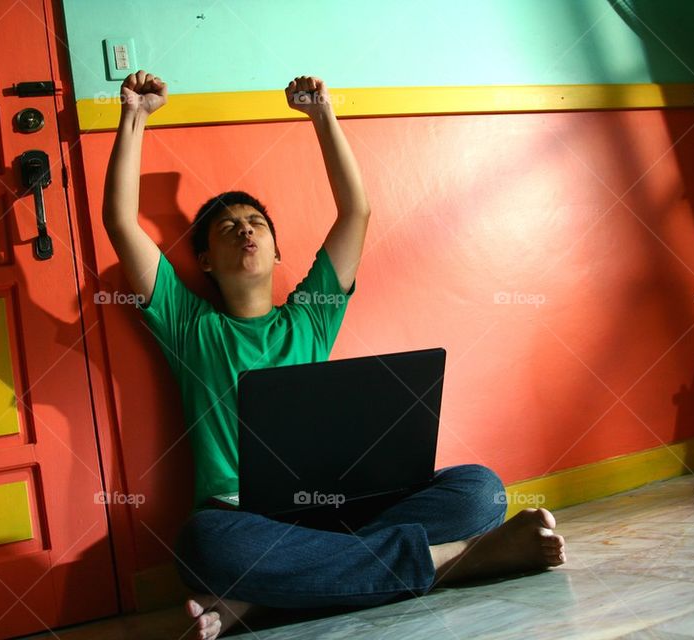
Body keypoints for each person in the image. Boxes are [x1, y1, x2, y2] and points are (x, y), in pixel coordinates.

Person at [103, 69, 566, 640]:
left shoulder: (312, 313)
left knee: (480, 488)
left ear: (276, 250)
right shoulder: (189, 325)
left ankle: (259, 603)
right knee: (204, 544)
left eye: (256, 224)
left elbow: (356, 213)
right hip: (246, 518)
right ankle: (461, 558)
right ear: (202, 260)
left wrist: (322, 114)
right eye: (227, 228)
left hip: (343, 504)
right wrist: (135, 115)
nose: (245, 232)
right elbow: (120, 222)